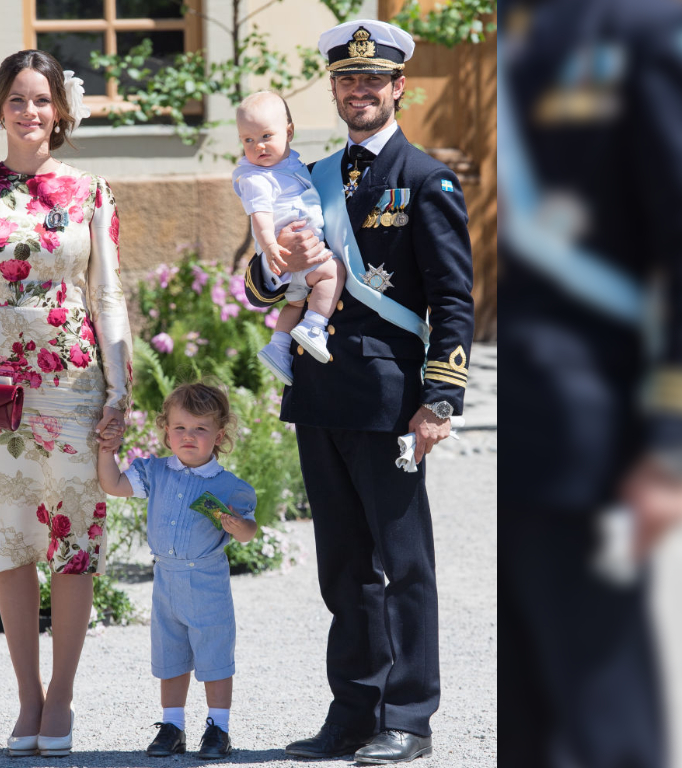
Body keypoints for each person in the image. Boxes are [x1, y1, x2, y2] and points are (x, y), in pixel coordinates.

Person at [243, 19, 475, 764]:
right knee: (342, 567)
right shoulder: (306, 178)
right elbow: (263, 282)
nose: (360, 91)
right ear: (336, 89)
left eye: (373, 80)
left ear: (397, 87)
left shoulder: (425, 178)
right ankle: (354, 712)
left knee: (404, 564)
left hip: (389, 398)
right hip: (320, 393)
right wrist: (267, 265)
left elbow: (453, 299)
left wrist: (438, 400)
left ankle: (408, 716)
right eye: (348, 80)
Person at [498, 0, 682, 765]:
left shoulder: (639, 33)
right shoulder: (503, 33)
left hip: (580, 440)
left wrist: (678, 441)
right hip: (509, 449)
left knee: (600, 724)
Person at [0, 50, 134, 757]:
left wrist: (121, 387)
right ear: (0, 109)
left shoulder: (88, 190)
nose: (30, 112)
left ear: (60, 112)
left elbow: (106, 294)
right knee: (10, 542)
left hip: (75, 385)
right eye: (17, 99)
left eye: (41, 100)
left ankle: (64, 697)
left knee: (74, 545)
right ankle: (28, 700)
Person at [96, 382, 257, 760]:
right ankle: (172, 726)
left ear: (219, 436)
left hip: (207, 580)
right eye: (180, 428)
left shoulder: (228, 486)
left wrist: (238, 526)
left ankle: (219, 728)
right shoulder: (155, 472)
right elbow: (114, 484)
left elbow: (249, 531)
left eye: (200, 429)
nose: (189, 436)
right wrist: (107, 453)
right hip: (166, 579)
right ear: (166, 432)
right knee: (171, 653)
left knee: (214, 653)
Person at [232, 90, 346, 384]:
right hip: (291, 258)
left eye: (266, 136)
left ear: (290, 132)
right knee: (333, 271)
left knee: (295, 304)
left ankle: (279, 347)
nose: (258, 146)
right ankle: (314, 326)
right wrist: (272, 248)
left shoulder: (295, 166)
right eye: (248, 140)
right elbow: (259, 217)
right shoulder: (257, 177)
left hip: (295, 267)